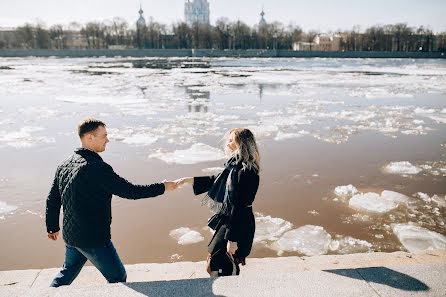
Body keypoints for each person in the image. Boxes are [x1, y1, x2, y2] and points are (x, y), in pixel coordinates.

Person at [45, 118, 178, 287]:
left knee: (68, 270)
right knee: (117, 277)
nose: (107, 140)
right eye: (104, 136)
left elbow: (52, 199)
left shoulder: (64, 164)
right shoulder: (96, 168)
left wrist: (52, 226)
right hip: (93, 238)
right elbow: (131, 191)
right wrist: (162, 187)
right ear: (89, 137)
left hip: (71, 235)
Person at [178, 128, 260, 276]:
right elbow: (214, 180)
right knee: (215, 257)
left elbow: (239, 206)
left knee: (223, 262)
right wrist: (188, 180)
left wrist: (232, 239)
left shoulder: (247, 171)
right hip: (229, 219)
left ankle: (229, 288)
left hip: (238, 223)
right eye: (228, 141)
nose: (227, 144)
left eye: (231, 141)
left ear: (242, 144)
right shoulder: (234, 166)